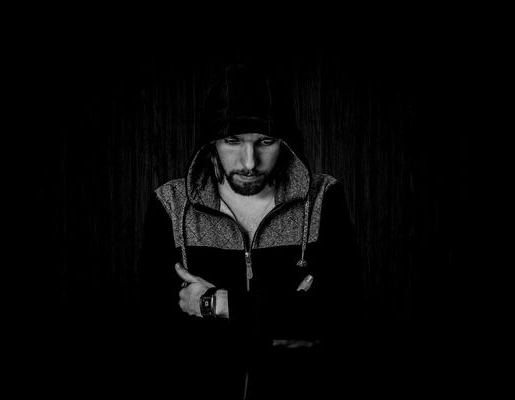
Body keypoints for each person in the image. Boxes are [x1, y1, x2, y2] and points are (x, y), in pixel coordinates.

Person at [139, 64, 357, 400]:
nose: (250, 162)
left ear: (286, 142)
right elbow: (158, 337)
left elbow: (335, 325)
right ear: (211, 142)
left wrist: (217, 304)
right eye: (232, 141)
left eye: (266, 142)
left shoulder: (323, 199)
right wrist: (286, 314)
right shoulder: (170, 204)